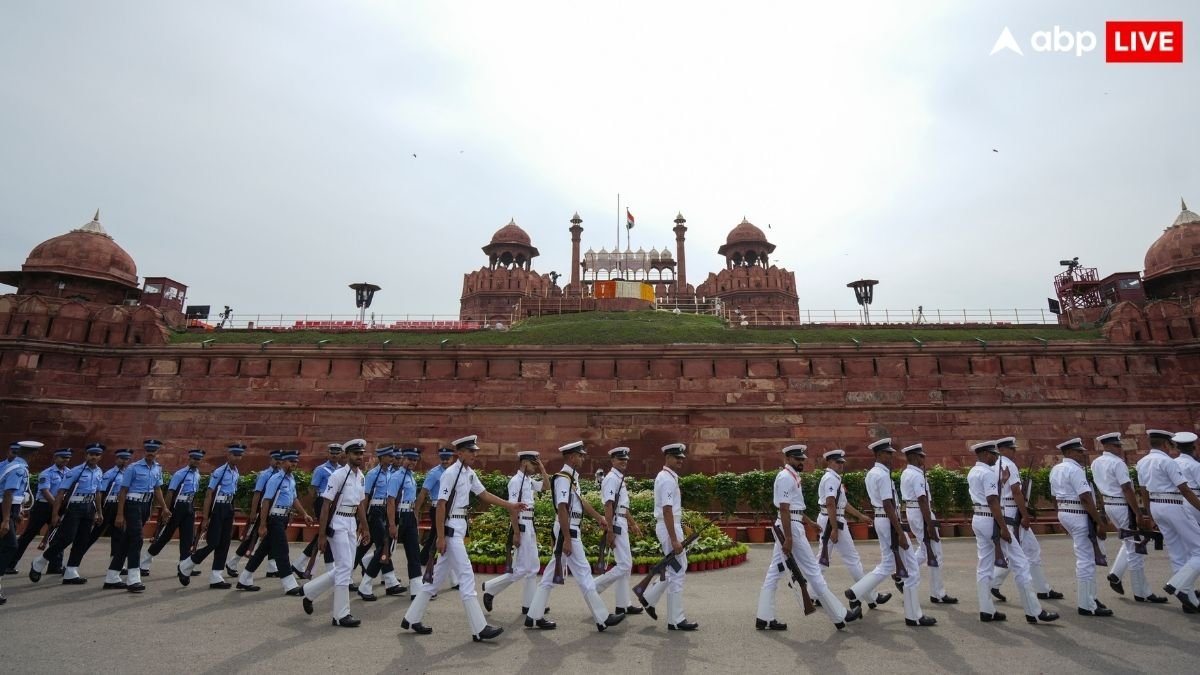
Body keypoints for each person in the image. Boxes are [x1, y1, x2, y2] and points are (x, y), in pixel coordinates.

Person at [401, 435, 526, 641]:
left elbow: (483, 494)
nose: (474, 455)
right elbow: (440, 505)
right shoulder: (450, 474)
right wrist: (440, 537)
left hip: (459, 526)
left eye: (475, 451)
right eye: (471, 451)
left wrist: (510, 505)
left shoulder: (468, 473)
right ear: (459, 453)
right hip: (451, 529)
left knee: (435, 580)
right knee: (467, 576)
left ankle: (411, 617)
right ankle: (479, 628)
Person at [755, 444, 861, 631]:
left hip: (792, 524)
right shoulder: (786, 478)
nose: (801, 462)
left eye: (802, 459)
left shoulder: (792, 477)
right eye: (797, 459)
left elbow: (793, 508)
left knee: (775, 571)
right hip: (790, 528)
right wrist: (788, 537)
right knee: (813, 570)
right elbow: (785, 509)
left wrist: (810, 522)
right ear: (788, 459)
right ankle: (840, 615)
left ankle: (764, 617)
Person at [524, 441, 625, 632]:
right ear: (571, 457)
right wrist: (567, 539)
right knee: (584, 573)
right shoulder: (563, 478)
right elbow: (562, 508)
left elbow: (579, 501)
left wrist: (598, 517)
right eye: (580, 455)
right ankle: (602, 618)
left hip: (570, 527)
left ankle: (533, 616)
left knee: (549, 576)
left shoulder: (571, 477)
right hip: (567, 529)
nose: (583, 458)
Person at [845, 438, 934, 627]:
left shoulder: (873, 473)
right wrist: (900, 531)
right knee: (911, 569)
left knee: (887, 563)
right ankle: (913, 616)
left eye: (891, 453)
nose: (891, 456)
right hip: (889, 521)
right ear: (878, 455)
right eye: (887, 453)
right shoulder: (882, 475)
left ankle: (856, 591)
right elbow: (888, 504)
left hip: (882, 520)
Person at [968, 440, 1058, 624]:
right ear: (986, 454)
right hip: (993, 520)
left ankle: (987, 610)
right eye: (993, 454)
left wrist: (1001, 481)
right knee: (1021, 564)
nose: (996, 457)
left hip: (979, 518)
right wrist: (1003, 528)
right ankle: (1034, 611)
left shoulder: (974, 471)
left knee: (984, 566)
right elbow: (993, 500)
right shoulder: (986, 473)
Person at [302, 439, 369, 627]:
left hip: (351, 522)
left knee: (345, 568)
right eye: (356, 454)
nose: (359, 457)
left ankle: (309, 591)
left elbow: (360, 504)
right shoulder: (338, 475)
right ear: (346, 455)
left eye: (361, 454)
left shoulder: (361, 476)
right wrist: (321, 535)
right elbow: (325, 506)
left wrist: (365, 527)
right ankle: (341, 615)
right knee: (345, 567)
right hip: (337, 522)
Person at [988, 437, 1063, 605]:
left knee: (1030, 550)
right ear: (1004, 449)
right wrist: (1025, 514)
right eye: (1012, 449)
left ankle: (1042, 589)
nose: (1014, 452)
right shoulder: (1009, 464)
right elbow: (1016, 492)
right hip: (1012, 512)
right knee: (1018, 554)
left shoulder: (994, 465)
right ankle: (994, 584)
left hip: (1005, 510)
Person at [1092, 432, 1163, 603]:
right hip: (1123, 506)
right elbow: (1126, 489)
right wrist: (1138, 513)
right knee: (1135, 549)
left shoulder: (1096, 462)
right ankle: (1142, 592)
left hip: (1110, 505)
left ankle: (1116, 574)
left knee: (1129, 541)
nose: (1119, 449)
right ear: (1108, 446)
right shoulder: (1117, 463)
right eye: (1117, 446)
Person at [1137, 429, 1200, 613]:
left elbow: (1144, 492)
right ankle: (1177, 584)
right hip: (1173, 505)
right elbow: (1185, 490)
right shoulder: (1167, 462)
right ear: (1166, 444)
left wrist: (1149, 514)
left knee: (1177, 552)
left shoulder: (1142, 462)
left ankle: (1189, 599)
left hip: (1156, 506)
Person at [816, 449, 889, 609]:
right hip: (832, 521)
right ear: (829, 462)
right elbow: (830, 503)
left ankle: (813, 593)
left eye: (842, 462)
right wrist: (835, 528)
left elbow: (843, 504)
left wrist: (860, 516)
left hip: (832, 519)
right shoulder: (830, 478)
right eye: (837, 462)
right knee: (849, 559)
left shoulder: (834, 478)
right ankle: (870, 596)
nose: (841, 465)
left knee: (823, 559)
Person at [637, 442, 698, 630]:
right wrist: (674, 538)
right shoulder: (667, 479)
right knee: (678, 571)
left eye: (681, 458)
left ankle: (651, 598)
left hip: (671, 525)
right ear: (667, 457)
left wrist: (683, 529)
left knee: (675, 569)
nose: (680, 461)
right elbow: (667, 510)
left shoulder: (668, 477)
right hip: (668, 526)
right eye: (677, 457)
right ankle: (676, 620)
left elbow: (672, 512)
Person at [1050, 437, 1112, 616]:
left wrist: (1061, 517)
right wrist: (1099, 522)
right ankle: (1086, 604)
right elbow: (1085, 497)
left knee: (1088, 556)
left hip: (1066, 512)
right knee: (1086, 559)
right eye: (1078, 451)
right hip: (1079, 514)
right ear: (1069, 452)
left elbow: (1054, 497)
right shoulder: (1074, 470)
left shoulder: (1056, 468)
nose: (1082, 454)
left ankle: (1090, 596)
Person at [483, 449, 549, 614]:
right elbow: (512, 509)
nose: (534, 467)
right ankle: (491, 588)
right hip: (522, 525)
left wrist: (542, 469)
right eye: (533, 464)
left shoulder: (528, 480)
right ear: (524, 463)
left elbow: (546, 487)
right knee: (521, 569)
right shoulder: (515, 481)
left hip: (530, 524)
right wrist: (517, 533)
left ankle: (529, 605)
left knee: (533, 566)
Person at [30, 443, 105, 584]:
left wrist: (99, 512)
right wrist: (55, 514)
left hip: (89, 507)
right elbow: (61, 493)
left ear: (100, 457)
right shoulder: (76, 471)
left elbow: (98, 493)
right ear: (86, 455)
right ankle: (40, 561)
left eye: (97, 455)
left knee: (82, 540)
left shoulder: (99, 471)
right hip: (74, 507)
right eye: (91, 454)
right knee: (66, 538)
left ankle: (71, 570)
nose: (93, 457)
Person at [238, 450, 310, 595]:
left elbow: (294, 499)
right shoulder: (275, 479)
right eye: (291, 462)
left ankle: (244, 578)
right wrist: (263, 524)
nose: (294, 465)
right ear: (283, 463)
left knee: (262, 550)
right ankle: (289, 585)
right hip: (274, 518)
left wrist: (305, 514)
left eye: (295, 462)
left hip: (283, 518)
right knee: (282, 551)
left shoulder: (291, 479)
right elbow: (266, 501)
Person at [178, 443, 245, 588]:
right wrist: (205, 517)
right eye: (235, 454)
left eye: (240, 455)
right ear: (228, 455)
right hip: (218, 508)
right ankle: (187, 564)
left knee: (224, 543)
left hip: (228, 507)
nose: (237, 458)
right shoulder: (220, 471)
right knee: (214, 542)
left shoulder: (236, 472)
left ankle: (216, 575)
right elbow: (209, 494)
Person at [106, 440, 168, 593]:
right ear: (144, 450)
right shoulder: (133, 468)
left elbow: (157, 489)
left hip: (146, 505)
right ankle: (133, 578)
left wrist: (165, 508)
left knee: (127, 541)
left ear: (157, 452)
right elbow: (123, 491)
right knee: (137, 539)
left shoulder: (157, 468)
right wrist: (120, 514)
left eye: (153, 450)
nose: (150, 452)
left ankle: (112, 576)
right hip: (132, 504)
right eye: (148, 449)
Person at [899, 443, 957, 605]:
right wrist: (930, 524)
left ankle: (902, 573)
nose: (923, 458)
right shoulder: (916, 475)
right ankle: (937, 593)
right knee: (935, 552)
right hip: (921, 513)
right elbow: (922, 499)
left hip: (913, 512)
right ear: (914, 457)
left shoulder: (906, 473)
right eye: (921, 456)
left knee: (925, 550)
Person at [592, 447, 644, 616]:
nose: (624, 462)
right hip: (615, 522)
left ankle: (623, 605)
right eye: (620, 459)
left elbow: (622, 505)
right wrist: (609, 530)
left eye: (626, 459)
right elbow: (608, 505)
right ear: (612, 461)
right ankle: (594, 587)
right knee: (625, 564)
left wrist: (633, 523)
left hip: (621, 520)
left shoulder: (619, 478)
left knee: (625, 566)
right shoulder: (611, 479)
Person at [141, 448, 204, 576]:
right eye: (194, 459)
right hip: (177, 507)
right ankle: (144, 561)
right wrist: (166, 510)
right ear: (189, 459)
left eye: (198, 459)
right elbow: (170, 492)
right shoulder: (180, 474)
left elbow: (194, 494)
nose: (196, 461)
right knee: (164, 536)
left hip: (189, 507)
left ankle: (184, 566)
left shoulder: (197, 474)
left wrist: (193, 509)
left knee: (187, 538)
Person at [14, 447, 71, 573]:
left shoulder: (70, 473)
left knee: (56, 537)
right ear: (55, 458)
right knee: (28, 535)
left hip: (59, 507)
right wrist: (57, 505)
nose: (65, 460)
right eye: (62, 457)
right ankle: (10, 563)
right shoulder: (47, 473)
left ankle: (55, 566)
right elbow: (45, 491)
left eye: (67, 458)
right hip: (43, 507)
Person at [358, 446, 405, 600]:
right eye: (388, 456)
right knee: (383, 546)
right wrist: (363, 520)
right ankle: (366, 585)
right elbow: (365, 498)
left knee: (384, 546)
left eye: (392, 456)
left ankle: (389, 581)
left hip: (385, 510)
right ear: (381, 458)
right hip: (374, 511)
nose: (392, 458)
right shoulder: (373, 474)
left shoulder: (390, 474)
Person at [0, 441, 43, 603]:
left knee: (5, 545)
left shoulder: (14, 466)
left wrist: (15, 513)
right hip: (4, 509)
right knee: (10, 546)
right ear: (33, 454)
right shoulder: (18, 469)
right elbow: (8, 494)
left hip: (9, 509)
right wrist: (6, 519)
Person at [228, 451, 282, 578]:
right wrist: (253, 512)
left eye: (280, 459)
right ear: (271, 460)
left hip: (274, 512)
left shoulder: (282, 475)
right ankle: (233, 562)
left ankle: (271, 567)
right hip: (263, 510)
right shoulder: (264, 475)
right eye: (276, 459)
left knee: (273, 539)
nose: (278, 461)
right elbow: (257, 494)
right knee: (253, 538)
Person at [293, 442, 343, 577]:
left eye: (337, 453)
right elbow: (313, 490)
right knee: (326, 533)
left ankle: (299, 563)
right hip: (322, 501)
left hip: (335, 503)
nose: (334, 455)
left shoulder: (342, 470)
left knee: (325, 533)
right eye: (332, 453)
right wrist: (312, 509)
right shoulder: (321, 469)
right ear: (328, 454)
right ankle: (330, 569)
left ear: (341, 454)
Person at [415, 447, 457, 593]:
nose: (445, 461)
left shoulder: (455, 472)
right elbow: (423, 493)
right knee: (435, 540)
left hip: (450, 509)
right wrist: (416, 511)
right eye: (443, 458)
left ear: (452, 458)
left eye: (448, 458)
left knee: (447, 541)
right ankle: (422, 564)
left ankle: (453, 579)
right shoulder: (434, 473)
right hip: (437, 508)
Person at [386, 448, 424, 599]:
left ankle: (416, 589)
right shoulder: (397, 477)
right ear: (403, 460)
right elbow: (390, 501)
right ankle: (366, 584)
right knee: (385, 551)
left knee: (414, 552)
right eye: (409, 459)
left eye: (414, 460)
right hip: (399, 516)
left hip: (409, 516)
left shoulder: (411, 476)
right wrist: (392, 524)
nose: (412, 463)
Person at [86, 449, 131, 553]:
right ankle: (77, 555)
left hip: (120, 505)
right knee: (95, 533)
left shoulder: (129, 473)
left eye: (126, 459)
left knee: (118, 535)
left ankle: (114, 563)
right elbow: (101, 492)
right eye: (121, 458)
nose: (124, 461)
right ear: (116, 459)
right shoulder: (110, 474)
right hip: (108, 505)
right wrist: (99, 510)